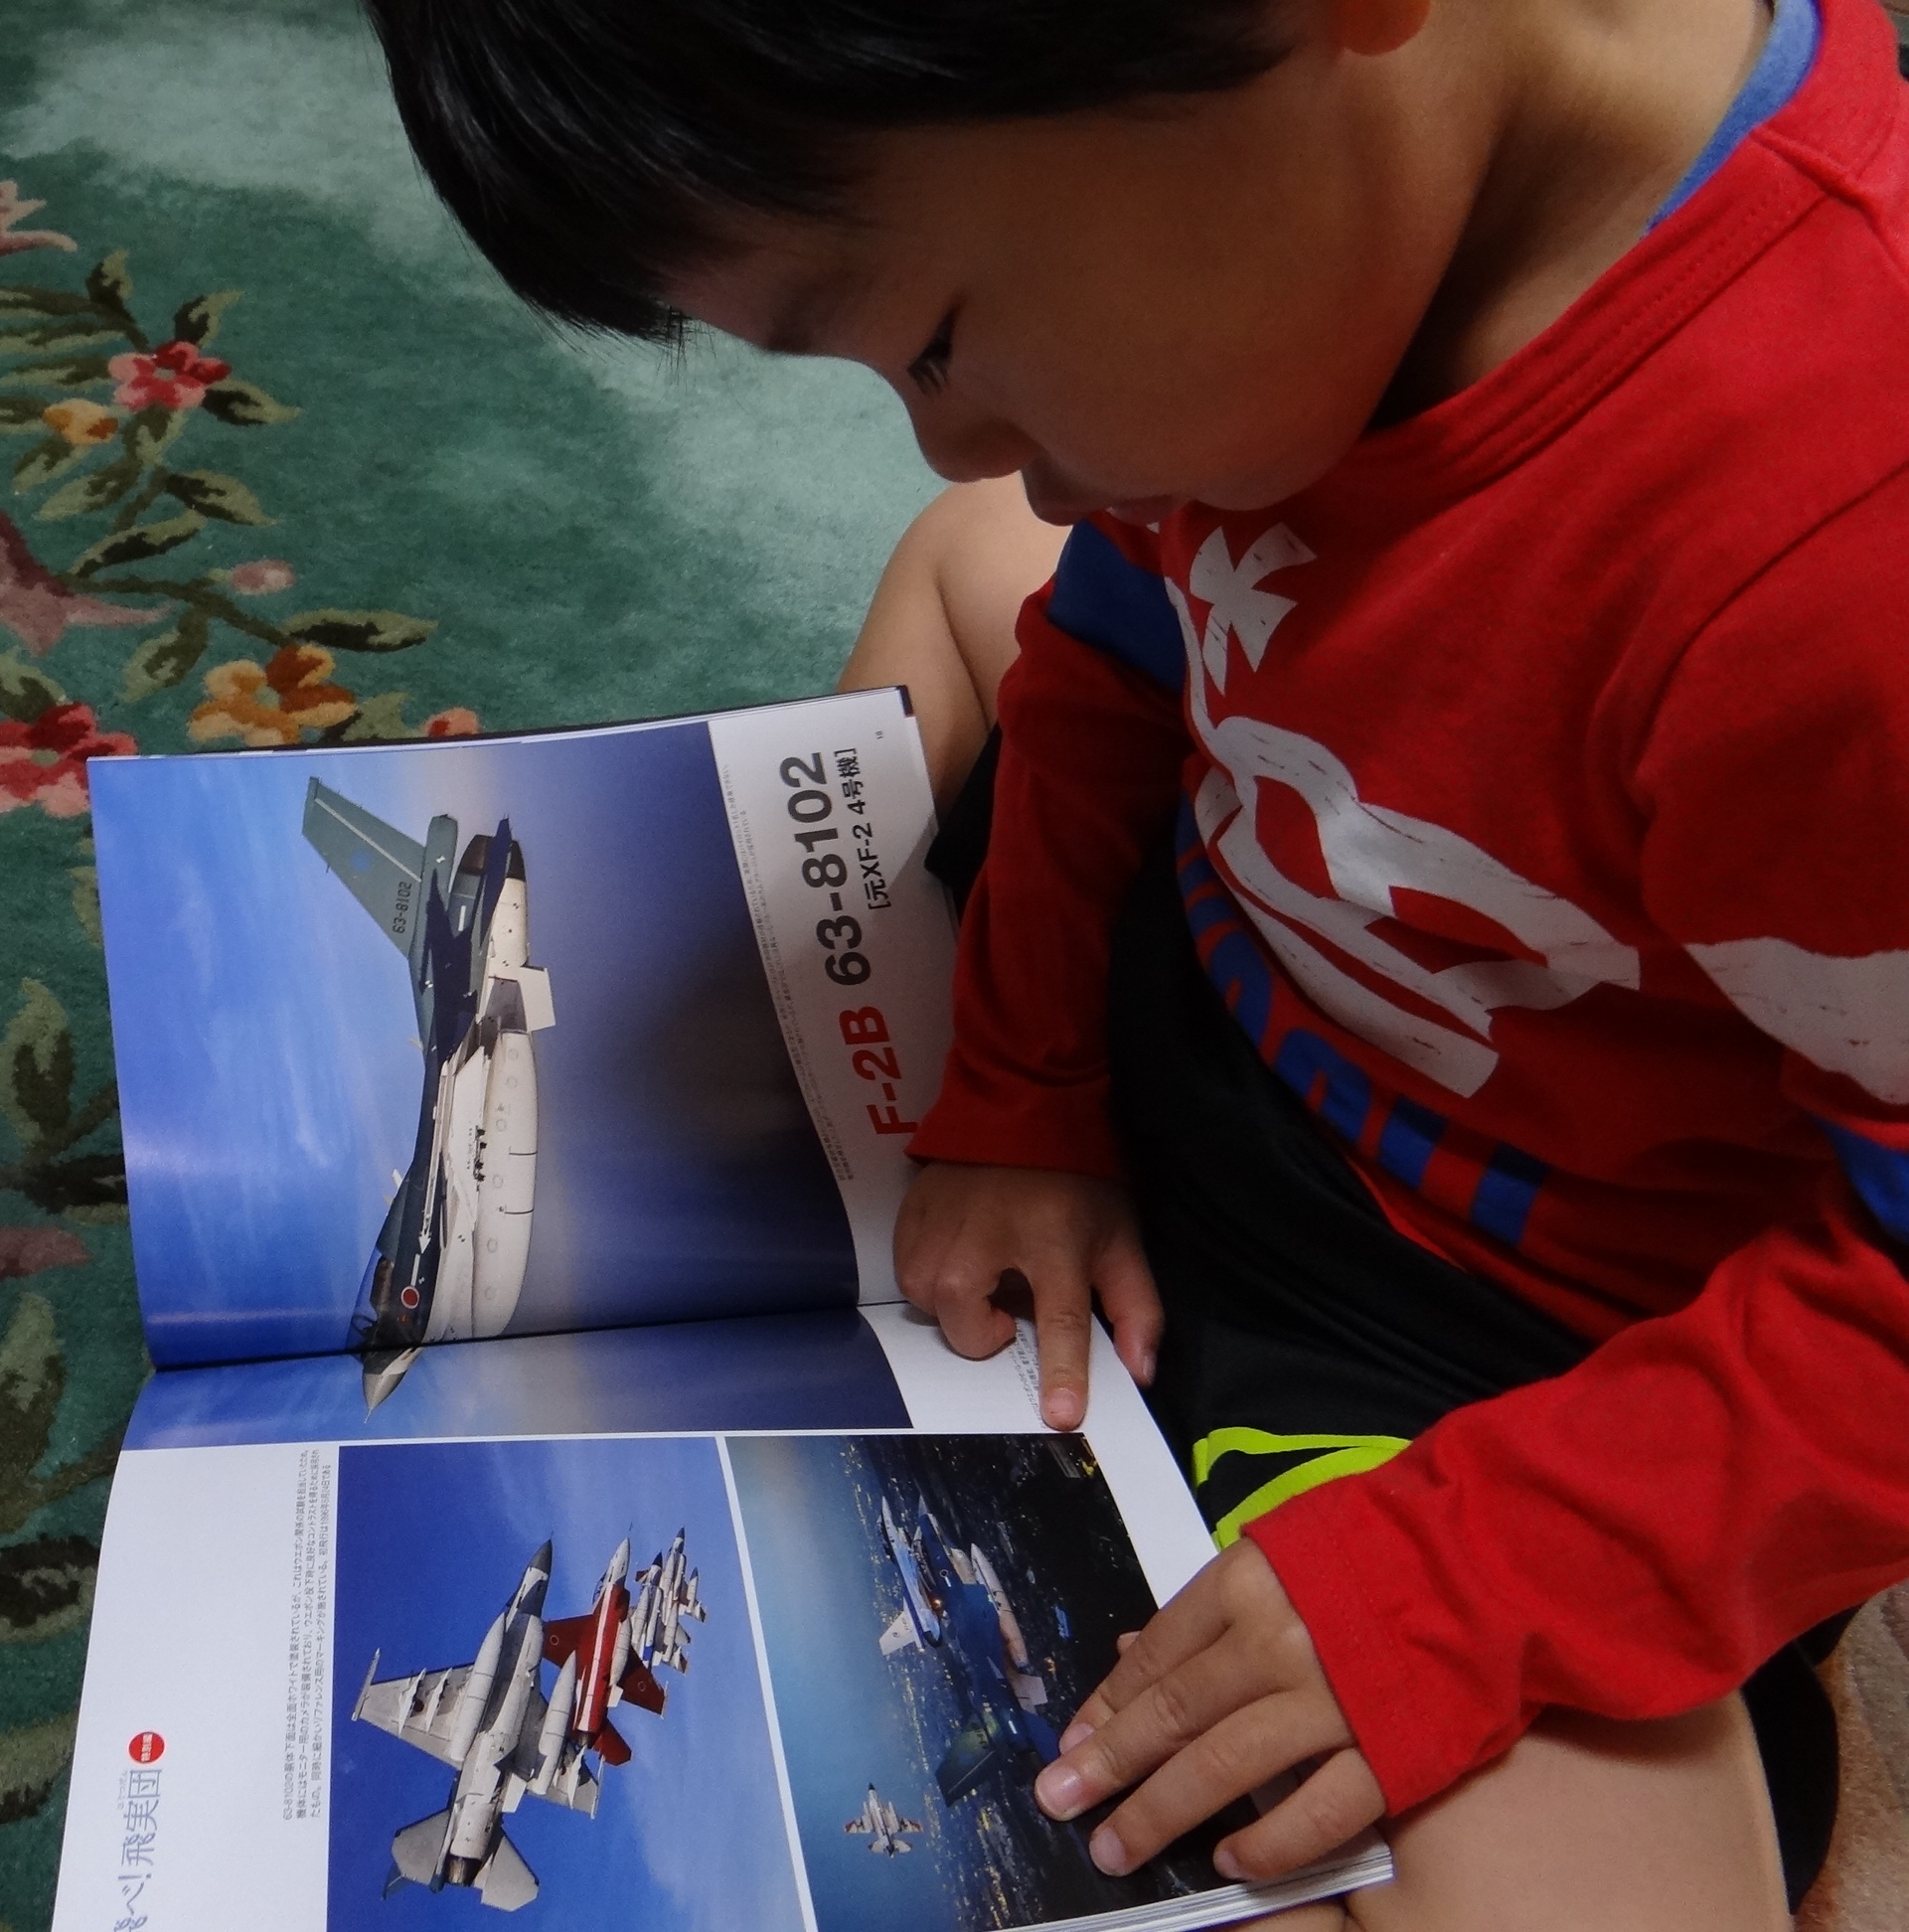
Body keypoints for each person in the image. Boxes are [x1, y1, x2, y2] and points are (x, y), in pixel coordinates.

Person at [363, 1, 1909, 1926]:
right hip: (1222, 957)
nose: (973, 439)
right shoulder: (1289, 292)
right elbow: (1113, 650)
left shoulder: (1846, 555)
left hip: (1506, 1345)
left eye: (936, 340)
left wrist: (1467, 1575)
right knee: (972, 555)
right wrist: (1023, 1086)